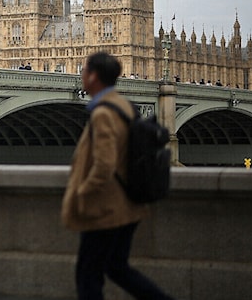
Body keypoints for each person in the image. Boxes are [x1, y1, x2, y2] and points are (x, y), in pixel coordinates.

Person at [61, 51, 173, 300]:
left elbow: (104, 165)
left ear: (93, 77)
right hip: (128, 205)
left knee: (87, 275)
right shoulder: (123, 104)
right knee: (116, 268)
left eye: (83, 71)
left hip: (106, 208)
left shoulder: (102, 113)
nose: (81, 76)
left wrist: (82, 193)